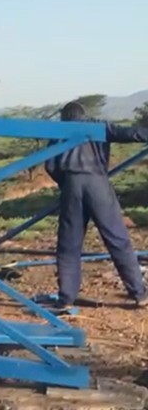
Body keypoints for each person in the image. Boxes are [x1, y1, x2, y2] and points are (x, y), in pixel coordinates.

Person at [45, 101, 148, 309]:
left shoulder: (58, 131)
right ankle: (139, 293)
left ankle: (66, 297)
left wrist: (65, 183)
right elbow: (130, 133)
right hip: (97, 183)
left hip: (72, 185)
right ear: (85, 114)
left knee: (69, 244)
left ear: (65, 117)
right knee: (117, 239)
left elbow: (50, 165)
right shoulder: (98, 126)